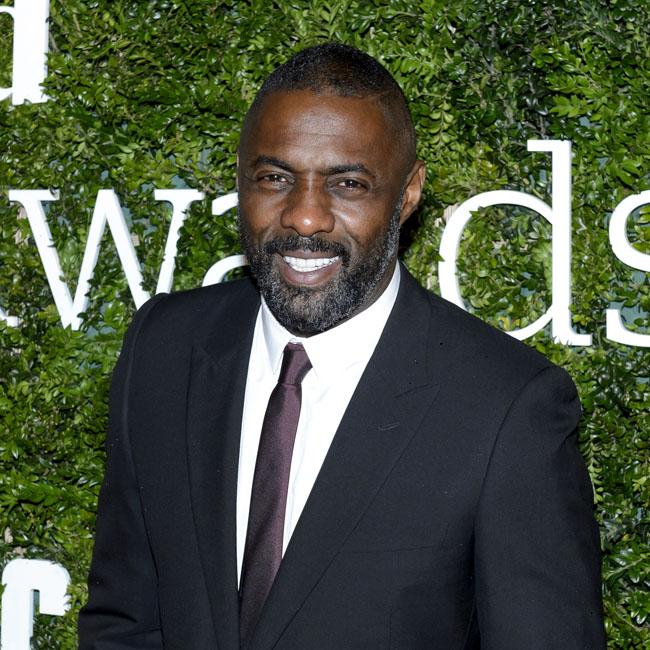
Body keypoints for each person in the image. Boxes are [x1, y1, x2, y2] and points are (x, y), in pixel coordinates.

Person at [78, 43, 606, 649]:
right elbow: (125, 621)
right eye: (275, 178)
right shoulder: (164, 348)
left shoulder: (506, 407)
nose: (305, 218)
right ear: (240, 178)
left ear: (408, 193)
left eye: (348, 184)